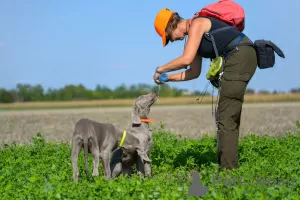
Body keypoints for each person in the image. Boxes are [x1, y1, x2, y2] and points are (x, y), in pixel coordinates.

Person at [153, 8, 258, 170]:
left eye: (169, 37)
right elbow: (193, 73)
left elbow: (185, 60)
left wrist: (161, 69)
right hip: (239, 56)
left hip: (240, 55)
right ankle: (227, 165)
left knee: (226, 116)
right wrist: (167, 78)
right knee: (225, 114)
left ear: (171, 26)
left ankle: (229, 172)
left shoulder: (197, 24)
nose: (172, 41)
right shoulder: (193, 37)